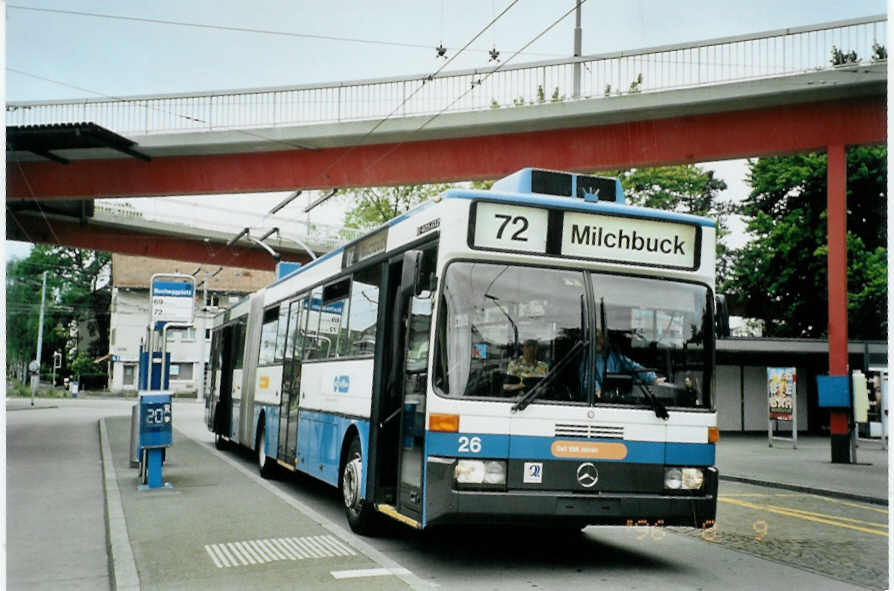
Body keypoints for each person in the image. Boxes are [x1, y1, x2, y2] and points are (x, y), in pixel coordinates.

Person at [593, 331, 663, 399]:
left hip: (618, 398)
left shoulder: (616, 356)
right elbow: (588, 377)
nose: (598, 340)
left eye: (600, 336)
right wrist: (596, 389)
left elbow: (633, 367)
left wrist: (652, 378)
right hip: (597, 400)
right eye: (596, 336)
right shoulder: (589, 357)